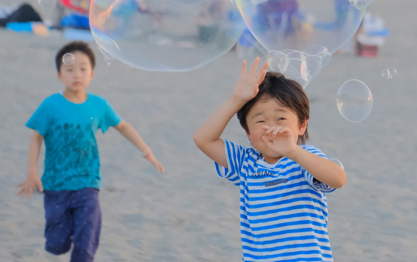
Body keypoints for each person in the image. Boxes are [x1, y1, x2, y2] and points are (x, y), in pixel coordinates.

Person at [17, 42, 165, 262]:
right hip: (56, 185)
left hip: (88, 183)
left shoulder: (99, 105)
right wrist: (32, 172)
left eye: (83, 68)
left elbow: (122, 126)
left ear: (92, 73)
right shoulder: (50, 105)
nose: (76, 74)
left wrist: (146, 151)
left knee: (86, 242)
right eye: (69, 69)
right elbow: (36, 138)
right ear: (59, 75)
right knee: (56, 245)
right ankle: (59, 242)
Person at [194, 60, 347, 261]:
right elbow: (203, 139)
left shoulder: (304, 159)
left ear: (301, 125)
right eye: (260, 121)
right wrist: (237, 99)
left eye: (281, 119)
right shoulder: (245, 164)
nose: (271, 127)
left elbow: (338, 179)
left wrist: (293, 151)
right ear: (248, 132)